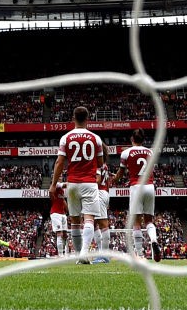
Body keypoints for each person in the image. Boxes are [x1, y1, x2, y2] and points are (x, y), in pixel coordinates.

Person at [48, 106, 104, 262]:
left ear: (73, 118)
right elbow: (100, 162)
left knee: (74, 220)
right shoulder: (95, 138)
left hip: (72, 182)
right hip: (89, 183)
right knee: (89, 219)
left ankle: (80, 255)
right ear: (88, 119)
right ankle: (84, 253)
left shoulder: (66, 138)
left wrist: (53, 184)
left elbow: (59, 162)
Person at [113, 128, 162, 261]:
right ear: (143, 139)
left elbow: (121, 173)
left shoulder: (126, 153)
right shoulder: (150, 152)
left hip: (136, 186)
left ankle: (140, 255)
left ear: (132, 139)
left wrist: (114, 179)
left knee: (136, 222)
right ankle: (153, 240)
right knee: (149, 221)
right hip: (150, 186)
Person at [92, 159, 112, 263]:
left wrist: (86, 182)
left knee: (103, 224)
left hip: (99, 193)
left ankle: (104, 255)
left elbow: (98, 180)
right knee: (94, 223)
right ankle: (101, 253)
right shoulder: (105, 165)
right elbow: (107, 183)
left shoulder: (97, 164)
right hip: (104, 192)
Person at [49, 182, 70, 257]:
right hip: (55, 213)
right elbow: (51, 191)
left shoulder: (61, 190)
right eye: (59, 175)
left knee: (65, 234)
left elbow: (63, 200)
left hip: (63, 213)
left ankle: (64, 252)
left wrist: (68, 211)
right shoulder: (55, 185)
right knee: (59, 233)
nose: (60, 176)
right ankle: (60, 254)